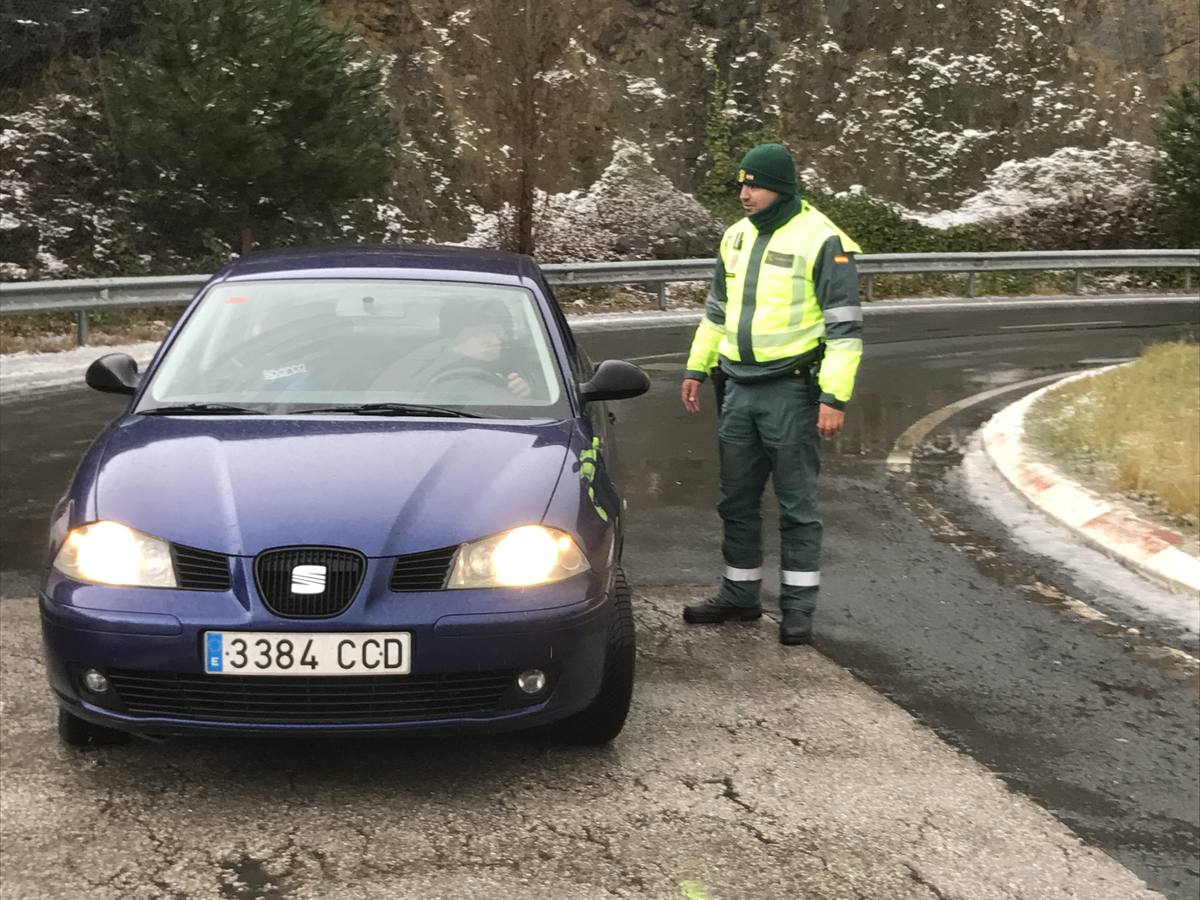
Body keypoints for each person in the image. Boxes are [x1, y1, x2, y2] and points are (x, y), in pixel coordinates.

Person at [680, 143, 863, 645]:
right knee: (735, 500)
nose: (744, 193)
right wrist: (697, 366)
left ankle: (798, 608)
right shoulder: (734, 238)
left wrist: (833, 397)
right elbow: (717, 311)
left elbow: (845, 329)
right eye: (741, 184)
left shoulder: (822, 239)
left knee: (796, 505)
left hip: (792, 391)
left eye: (754, 184)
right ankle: (739, 596)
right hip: (738, 387)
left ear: (779, 187)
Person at [374, 298, 531, 400]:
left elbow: (545, 405)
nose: (496, 341)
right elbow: (383, 401)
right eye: (481, 335)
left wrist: (526, 391)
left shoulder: (519, 357)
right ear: (455, 339)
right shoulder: (419, 365)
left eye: (498, 333)